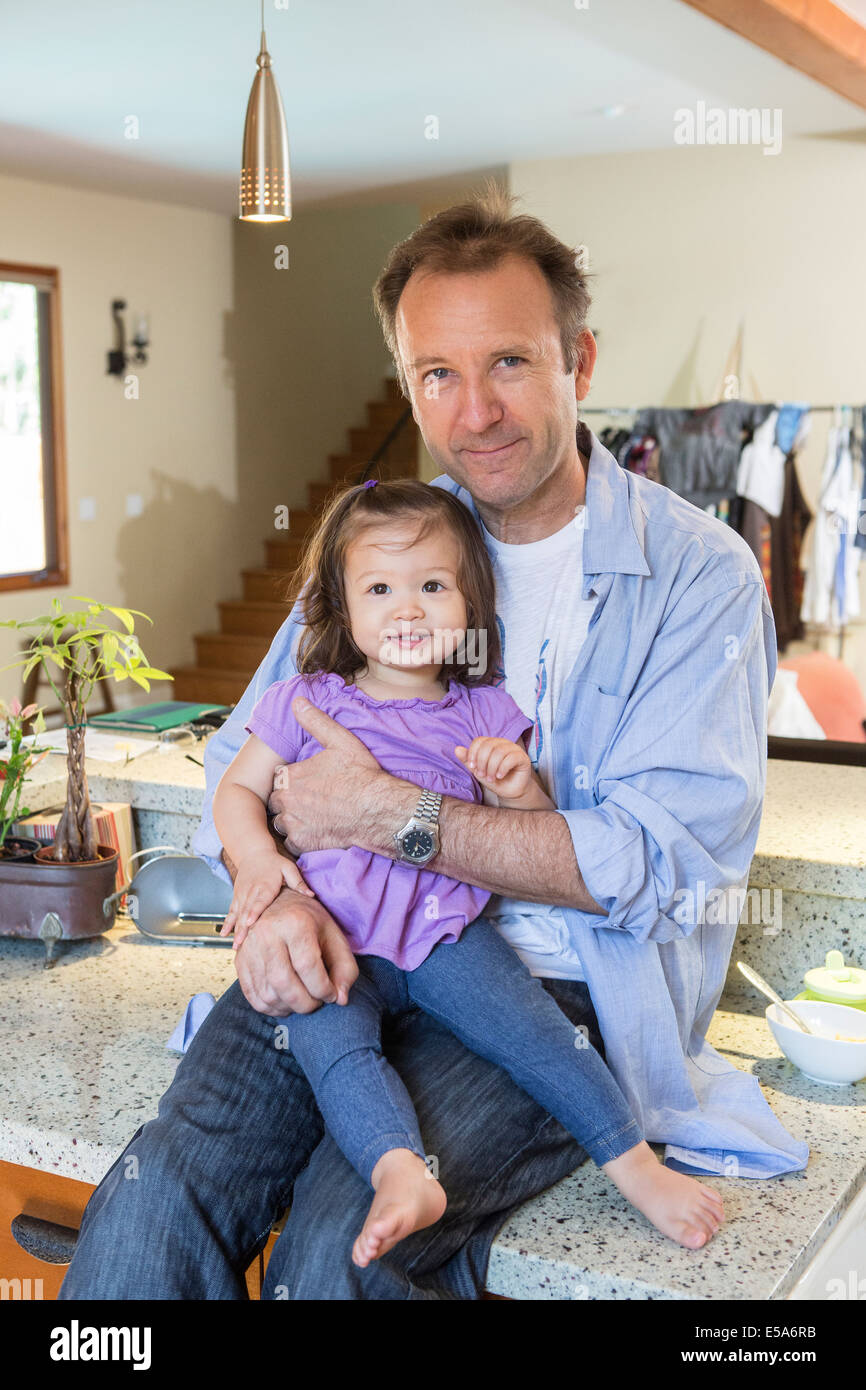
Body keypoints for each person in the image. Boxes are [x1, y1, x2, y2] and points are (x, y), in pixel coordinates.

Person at [60, 188, 807, 1303]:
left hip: (550, 991)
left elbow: (655, 866)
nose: (476, 411)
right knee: (155, 1184)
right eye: (436, 375)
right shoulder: (385, 543)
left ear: (579, 361)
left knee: (336, 1242)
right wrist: (270, 897)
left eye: (508, 361)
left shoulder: (697, 577)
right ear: (408, 384)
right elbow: (243, 760)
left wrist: (384, 817)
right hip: (342, 942)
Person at [211, 477, 726, 1268]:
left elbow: (544, 842)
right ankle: (400, 1173)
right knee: (335, 1048)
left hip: (448, 933)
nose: (407, 608)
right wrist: (257, 863)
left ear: (470, 602)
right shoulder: (306, 699)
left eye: (432, 586)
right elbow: (236, 789)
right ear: (344, 609)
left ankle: (635, 1166)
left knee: (539, 1036)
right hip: (336, 937)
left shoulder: (482, 710)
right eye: (380, 588)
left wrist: (519, 784)